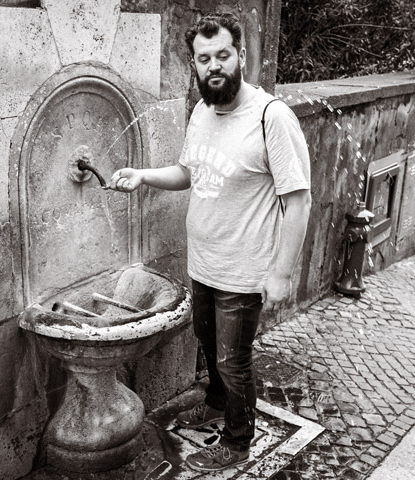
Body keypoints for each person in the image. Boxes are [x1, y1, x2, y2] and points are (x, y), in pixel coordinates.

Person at [106, 12, 312, 472]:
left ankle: (238, 441)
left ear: (241, 56)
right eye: (204, 59)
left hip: (244, 272)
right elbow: (188, 173)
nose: (214, 65)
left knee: (233, 363)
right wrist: (143, 176)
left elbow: (298, 202)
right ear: (194, 65)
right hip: (204, 266)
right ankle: (217, 406)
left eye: (223, 55)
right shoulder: (201, 110)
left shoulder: (269, 117)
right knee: (209, 348)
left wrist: (280, 273)